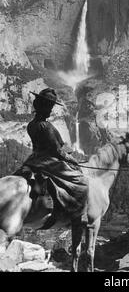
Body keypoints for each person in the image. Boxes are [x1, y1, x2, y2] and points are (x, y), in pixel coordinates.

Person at [15, 88, 88, 228]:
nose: (51, 109)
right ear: (44, 106)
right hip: (48, 162)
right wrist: (72, 159)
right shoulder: (46, 126)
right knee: (81, 182)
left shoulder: (32, 124)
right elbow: (57, 151)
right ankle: (78, 213)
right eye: (50, 106)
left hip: (33, 159)